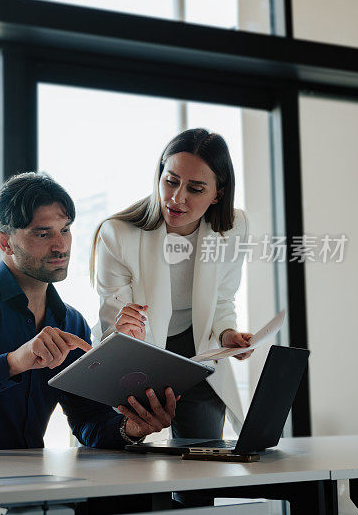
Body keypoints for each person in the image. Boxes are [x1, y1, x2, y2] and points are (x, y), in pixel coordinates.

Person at [0, 172, 177, 453]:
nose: (61, 246)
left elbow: (88, 421)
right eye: (43, 234)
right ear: (5, 243)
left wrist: (131, 428)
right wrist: (14, 362)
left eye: (65, 230)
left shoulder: (71, 322)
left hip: (29, 484)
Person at [90, 128, 252, 441]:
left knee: (201, 462)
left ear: (217, 194)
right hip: (143, 349)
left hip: (198, 352)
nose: (177, 198)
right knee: (125, 454)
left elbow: (222, 300)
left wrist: (228, 333)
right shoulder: (117, 234)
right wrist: (123, 329)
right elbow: (114, 320)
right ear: (159, 175)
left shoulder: (234, 227)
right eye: (171, 180)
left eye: (196, 188)